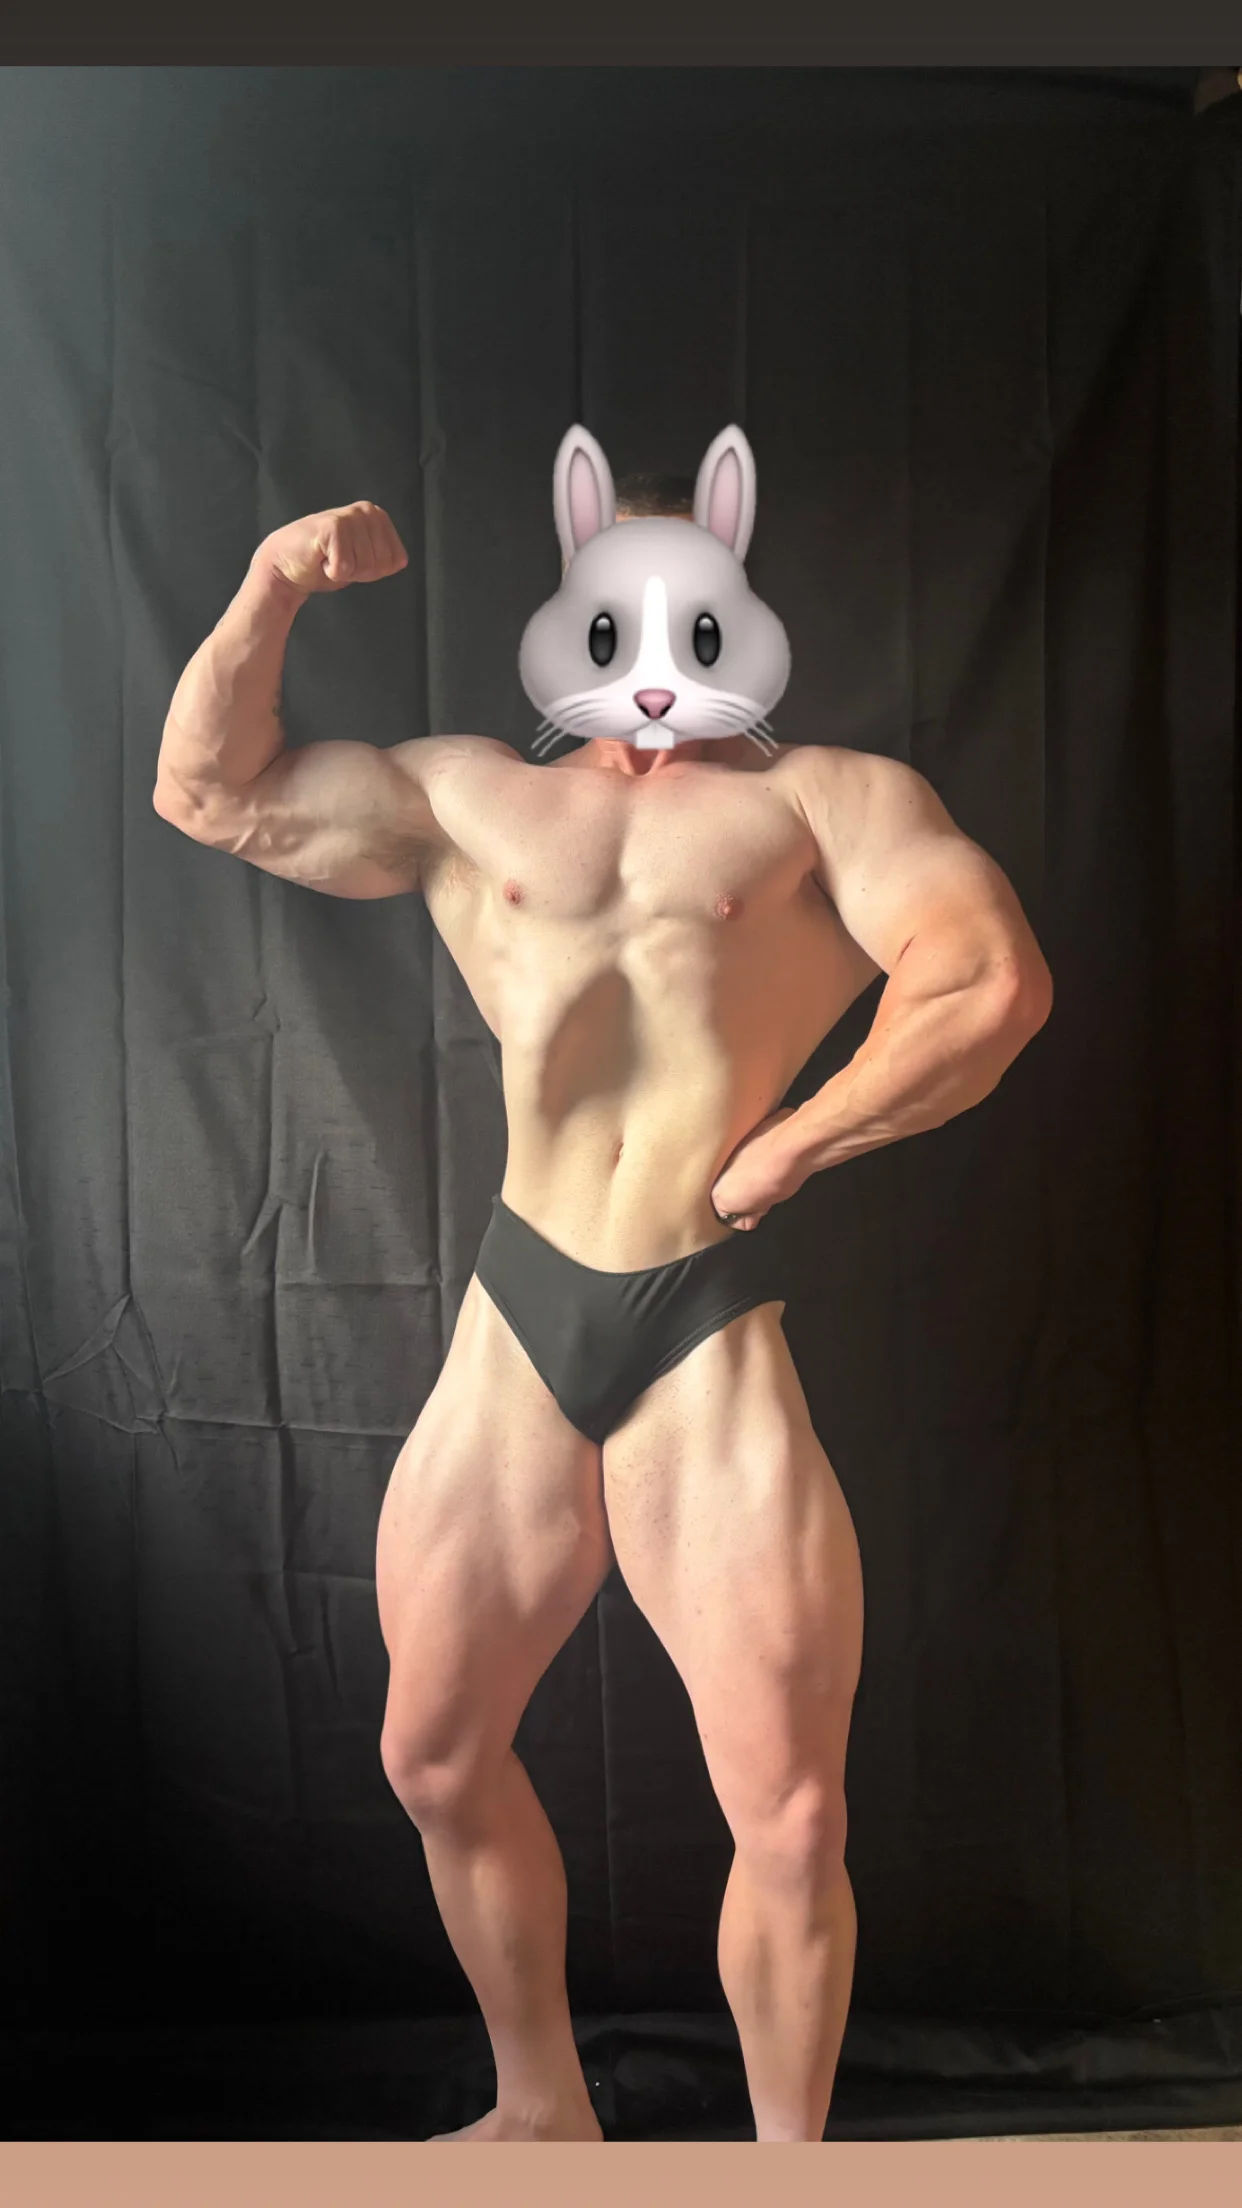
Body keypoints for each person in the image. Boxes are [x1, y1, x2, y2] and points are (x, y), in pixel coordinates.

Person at [154, 466, 1053, 2144]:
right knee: (432, 1755)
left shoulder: (826, 802)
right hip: (521, 1306)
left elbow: (986, 980)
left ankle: (789, 2170)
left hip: (699, 1323)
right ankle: (539, 2111)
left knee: (789, 1815)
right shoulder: (470, 796)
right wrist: (273, 583)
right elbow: (209, 791)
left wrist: (797, 1141)